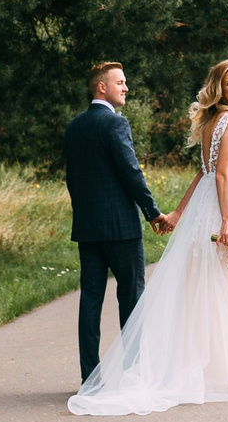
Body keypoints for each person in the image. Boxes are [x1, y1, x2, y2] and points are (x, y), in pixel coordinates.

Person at [68, 58, 228, 415]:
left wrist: (176, 213)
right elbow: (213, 174)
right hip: (200, 211)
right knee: (184, 291)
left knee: (196, 288)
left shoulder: (77, 125)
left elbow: (203, 173)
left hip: (103, 223)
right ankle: (159, 371)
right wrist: (221, 220)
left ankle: (94, 375)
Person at [63, 61, 170, 383]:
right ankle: (133, 374)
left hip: (88, 229)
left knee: (90, 301)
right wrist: (152, 212)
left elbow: (72, 180)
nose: (126, 87)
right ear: (102, 87)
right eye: (120, 82)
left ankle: (90, 377)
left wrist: (85, 213)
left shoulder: (74, 126)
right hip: (121, 229)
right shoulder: (115, 124)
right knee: (132, 300)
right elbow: (130, 172)